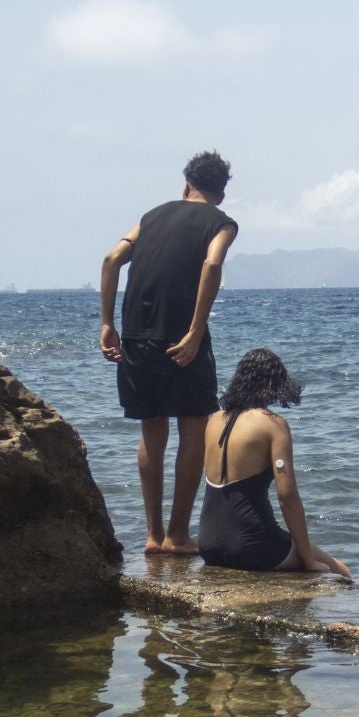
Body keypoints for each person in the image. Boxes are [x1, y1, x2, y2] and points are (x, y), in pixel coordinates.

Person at [99, 151, 239, 554]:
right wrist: (196, 332)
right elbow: (212, 266)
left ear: (186, 184)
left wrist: (107, 323)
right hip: (181, 340)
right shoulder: (221, 222)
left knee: (152, 429)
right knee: (193, 427)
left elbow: (111, 259)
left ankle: (151, 535)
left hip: (136, 336)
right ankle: (177, 535)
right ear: (221, 192)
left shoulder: (151, 217)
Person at [198, 348, 353, 579]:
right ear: (275, 383)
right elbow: (287, 498)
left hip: (208, 544)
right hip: (253, 546)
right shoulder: (273, 425)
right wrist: (308, 560)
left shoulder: (214, 419)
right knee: (339, 570)